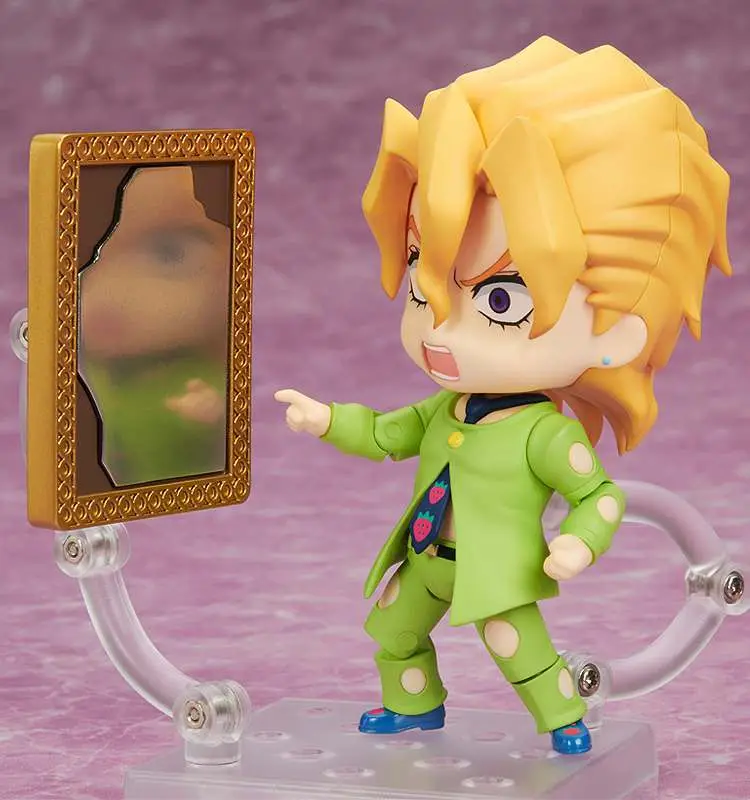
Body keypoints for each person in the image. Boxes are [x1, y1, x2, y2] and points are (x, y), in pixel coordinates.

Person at [275, 36, 731, 755]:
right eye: (424, 278)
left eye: (498, 300)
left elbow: (599, 496)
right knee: (393, 633)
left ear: (619, 332)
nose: (439, 328)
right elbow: (387, 434)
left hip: (497, 575)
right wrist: (326, 418)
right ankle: (414, 706)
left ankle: (563, 718)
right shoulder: (444, 409)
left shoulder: (544, 434)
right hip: (424, 561)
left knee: (521, 654)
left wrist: (577, 545)